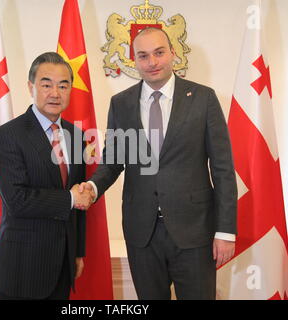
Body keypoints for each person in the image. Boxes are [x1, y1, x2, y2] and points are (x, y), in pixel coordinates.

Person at [80, 27, 237, 300]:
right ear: (134, 61)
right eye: (143, 55)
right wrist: (92, 187)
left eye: (159, 53)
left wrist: (225, 231)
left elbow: (223, 169)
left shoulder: (203, 99)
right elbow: (114, 160)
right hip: (142, 234)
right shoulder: (121, 104)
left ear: (172, 53)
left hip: (195, 233)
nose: (152, 62)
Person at [0, 52, 94, 300]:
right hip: (22, 267)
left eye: (63, 85)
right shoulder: (6, 136)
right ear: (30, 87)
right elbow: (17, 199)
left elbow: (78, 200)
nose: (55, 92)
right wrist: (69, 198)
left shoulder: (76, 136)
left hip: (63, 266)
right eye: (46, 84)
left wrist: (77, 253)